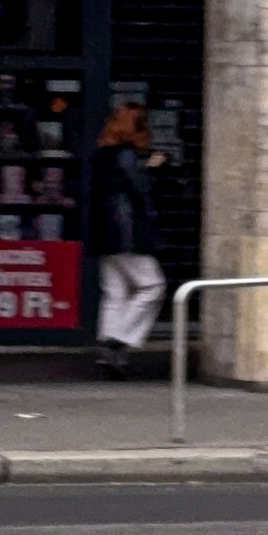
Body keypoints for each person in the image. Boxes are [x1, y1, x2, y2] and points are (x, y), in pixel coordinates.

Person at [90, 102, 165, 373]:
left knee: (115, 293)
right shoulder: (125, 155)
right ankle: (117, 341)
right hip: (127, 233)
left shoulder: (101, 156)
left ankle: (107, 349)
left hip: (105, 235)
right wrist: (153, 167)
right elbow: (139, 189)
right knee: (153, 286)